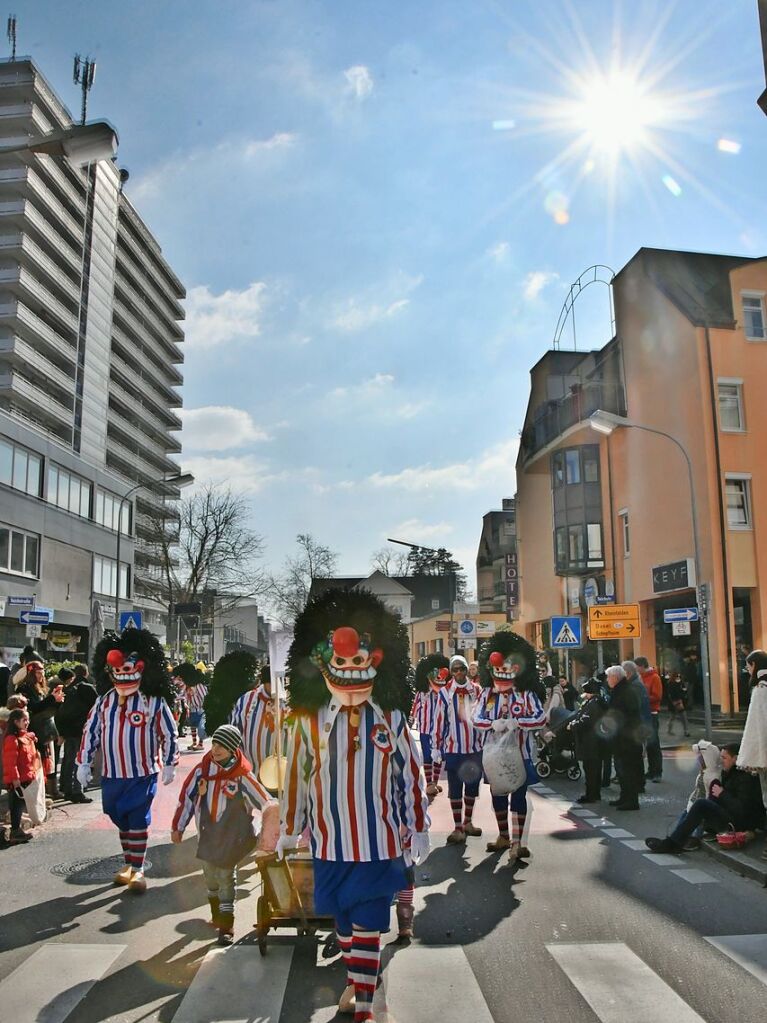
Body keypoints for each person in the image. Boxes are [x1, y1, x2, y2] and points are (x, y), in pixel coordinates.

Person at [279, 588, 430, 1023]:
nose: (350, 671)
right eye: (340, 663)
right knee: (342, 921)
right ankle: (356, 977)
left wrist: (416, 825)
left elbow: (408, 774)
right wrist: (291, 825)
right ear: (324, 665)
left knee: (367, 920)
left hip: (377, 841)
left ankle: (364, 1001)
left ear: (375, 662)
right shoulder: (306, 721)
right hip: (328, 841)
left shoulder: (392, 717)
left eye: (358, 661)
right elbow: (297, 777)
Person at [77, 630, 179, 893]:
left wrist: (169, 762)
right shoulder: (103, 702)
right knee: (116, 813)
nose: (124, 673)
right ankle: (129, 862)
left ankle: (138, 868)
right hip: (112, 774)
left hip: (142, 773)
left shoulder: (153, 702)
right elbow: (91, 732)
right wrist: (83, 763)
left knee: (137, 818)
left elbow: (168, 732)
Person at [172, 724, 278, 945]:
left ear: (232, 748)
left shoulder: (242, 775)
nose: (216, 749)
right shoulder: (202, 771)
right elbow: (187, 799)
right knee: (210, 877)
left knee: (226, 877)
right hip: (207, 837)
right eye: (215, 744)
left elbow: (264, 800)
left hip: (232, 838)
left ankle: (226, 925)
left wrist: (275, 822)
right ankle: (216, 913)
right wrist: (178, 827)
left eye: (222, 745)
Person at [472, 631, 546, 860]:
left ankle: (517, 841)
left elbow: (540, 718)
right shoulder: (486, 694)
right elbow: (475, 718)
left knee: (519, 796)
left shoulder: (526, 694)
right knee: (498, 795)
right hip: (494, 755)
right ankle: (504, 835)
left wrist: (518, 723)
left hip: (521, 753)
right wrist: (491, 723)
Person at [645, 743, 765, 853]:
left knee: (701, 804)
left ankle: (673, 843)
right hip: (730, 817)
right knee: (697, 806)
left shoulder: (745, 778)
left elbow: (741, 809)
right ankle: (675, 841)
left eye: (724, 758)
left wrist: (722, 794)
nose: (721, 761)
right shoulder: (728, 772)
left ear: (735, 759)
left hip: (739, 823)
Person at [432, 654, 485, 843]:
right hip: (454, 748)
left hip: (474, 748)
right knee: (455, 789)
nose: (460, 672)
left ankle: (468, 822)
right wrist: (436, 747)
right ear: (451, 672)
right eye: (455, 669)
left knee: (472, 787)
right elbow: (438, 721)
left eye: (462, 668)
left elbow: (485, 715)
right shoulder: (445, 693)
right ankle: (457, 827)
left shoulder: (477, 690)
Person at [15, 658, 64, 800]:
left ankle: (44, 792)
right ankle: (33, 795)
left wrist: (57, 701)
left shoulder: (40, 687)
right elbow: (34, 708)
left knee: (47, 762)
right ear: (31, 673)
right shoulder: (24, 688)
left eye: (42, 672)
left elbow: (44, 707)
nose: (41, 675)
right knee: (34, 763)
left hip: (45, 729)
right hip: (32, 730)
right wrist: (51, 700)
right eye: (38, 672)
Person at [737, 649, 767, 861]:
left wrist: (754, 757)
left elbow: (758, 727)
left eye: (748, 666)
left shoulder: (761, 689)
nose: (748, 671)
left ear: (755, 665)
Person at [229, 663, 280, 779]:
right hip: (252, 773)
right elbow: (236, 733)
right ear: (266, 683)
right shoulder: (246, 700)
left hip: (283, 775)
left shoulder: (291, 701)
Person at [55, 666, 97, 803]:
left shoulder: (67, 689)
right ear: (86, 673)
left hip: (67, 729)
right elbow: (98, 707)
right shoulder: (87, 688)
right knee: (80, 759)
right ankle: (77, 791)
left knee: (68, 759)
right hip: (81, 729)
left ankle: (66, 788)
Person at [410, 653, 450, 800]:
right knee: (427, 756)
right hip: (426, 729)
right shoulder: (422, 692)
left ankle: (435, 781)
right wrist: (411, 721)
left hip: (441, 730)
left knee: (439, 756)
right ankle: (429, 783)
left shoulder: (445, 693)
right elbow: (414, 708)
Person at [604, 665, 643, 811]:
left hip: (627, 739)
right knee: (622, 770)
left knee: (628, 770)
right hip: (623, 738)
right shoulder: (621, 690)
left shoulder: (625, 692)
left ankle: (631, 800)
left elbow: (624, 715)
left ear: (615, 677)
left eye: (609, 677)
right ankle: (625, 796)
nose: (607, 680)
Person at [567, 678, 609, 804]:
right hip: (597, 741)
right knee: (595, 769)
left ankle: (591, 795)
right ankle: (595, 793)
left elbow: (586, 721)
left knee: (590, 769)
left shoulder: (593, 704)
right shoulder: (598, 702)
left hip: (590, 741)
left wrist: (573, 725)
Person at [2, 707, 39, 843]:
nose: (27, 722)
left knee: (19, 804)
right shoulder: (12, 739)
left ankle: (17, 830)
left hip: (24, 778)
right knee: (16, 805)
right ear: (16, 721)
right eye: (24, 720)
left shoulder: (22, 736)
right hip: (17, 780)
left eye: (28, 719)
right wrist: (15, 779)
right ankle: (15, 831)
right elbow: (10, 762)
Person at [622, 660, 652, 792]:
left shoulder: (634, 686)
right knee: (636, 756)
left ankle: (638, 784)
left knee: (635, 757)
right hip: (640, 724)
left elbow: (635, 707)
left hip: (637, 725)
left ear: (627, 673)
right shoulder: (636, 684)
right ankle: (639, 783)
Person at [635, 656, 663, 782]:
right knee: (647, 743)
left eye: (637, 667)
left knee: (654, 743)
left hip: (652, 713)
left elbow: (657, 696)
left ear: (641, 666)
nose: (636, 670)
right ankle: (651, 771)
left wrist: (643, 698)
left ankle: (657, 772)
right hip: (643, 713)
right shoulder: (641, 678)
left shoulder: (654, 677)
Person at [667, 672, 690, 737]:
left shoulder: (675, 683)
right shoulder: (673, 684)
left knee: (674, 717)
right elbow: (676, 693)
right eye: (677, 677)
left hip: (676, 702)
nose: (678, 678)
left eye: (679, 677)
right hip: (677, 702)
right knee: (682, 717)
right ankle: (686, 731)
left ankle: (670, 730)